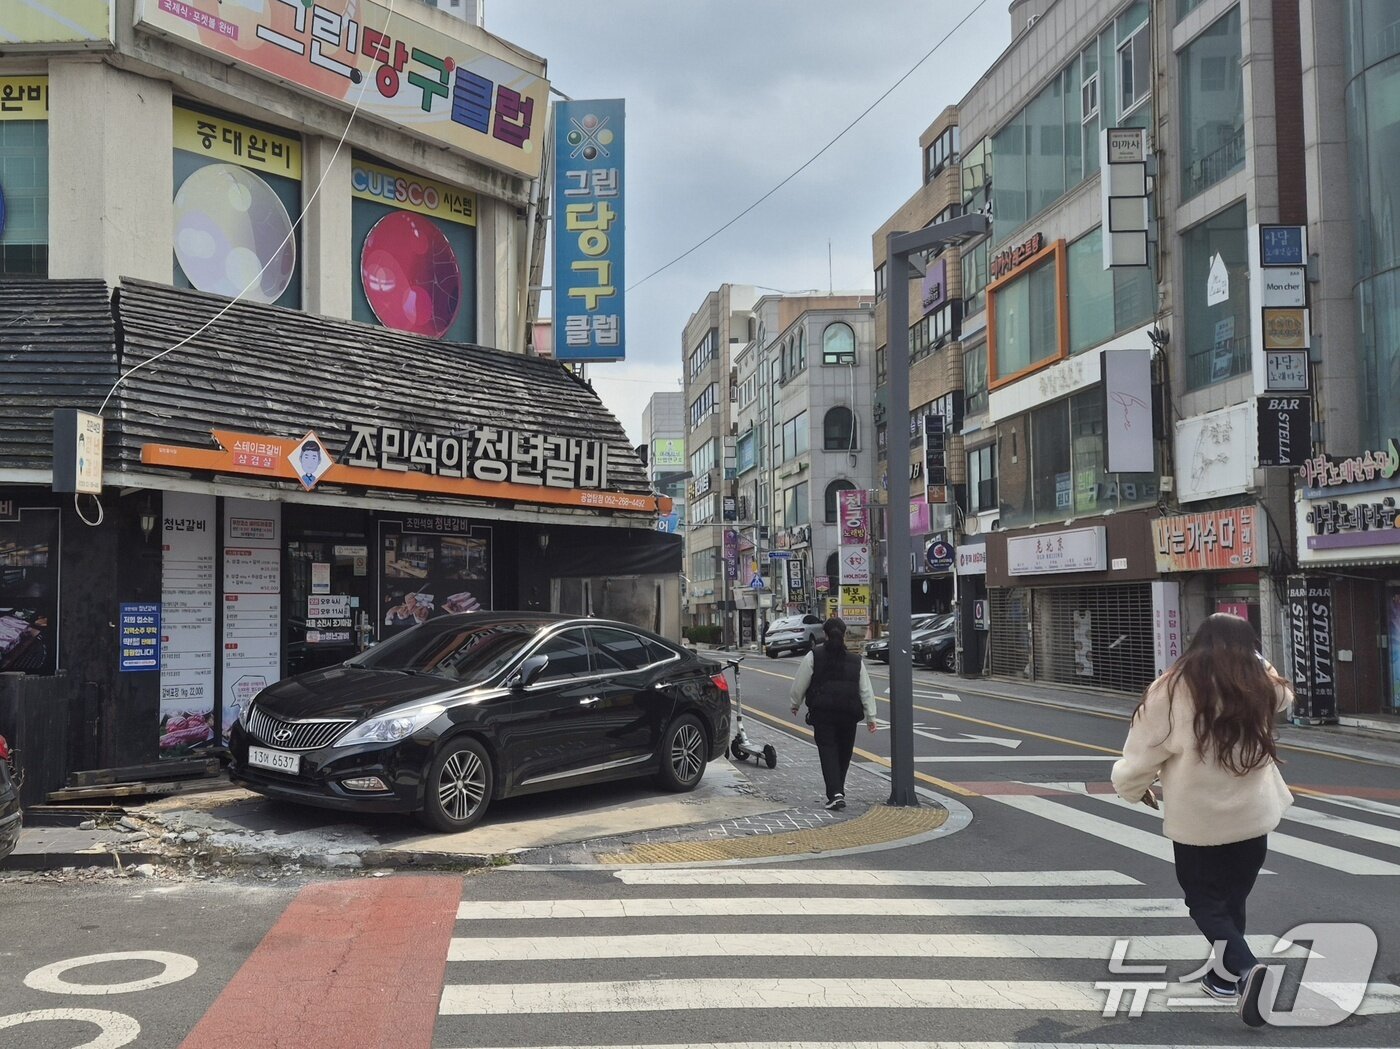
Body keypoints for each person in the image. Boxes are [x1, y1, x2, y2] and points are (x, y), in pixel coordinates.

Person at [1111, 613, 1294, 1028]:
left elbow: (1141, 755)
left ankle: (1245, 968)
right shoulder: (1259, 684)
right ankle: (1223, 980)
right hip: (1252, 818)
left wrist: (1132, 788)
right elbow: (1284, 695)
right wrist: (1256, 660)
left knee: (1205, 902)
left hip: (1199, 822)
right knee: (1231, 900)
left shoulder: (1172, 688)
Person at [789, 617, 878, 810]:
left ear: (825, 634)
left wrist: (795, 703)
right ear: (844, 634)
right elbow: (866, 690)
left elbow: (800, 682)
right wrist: (871, 717)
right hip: (849, 714)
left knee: (828, 751)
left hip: (823, 713)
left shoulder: (814, 655)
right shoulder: (856, 661)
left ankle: (835, 793)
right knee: (844, 753)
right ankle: (838, 790)